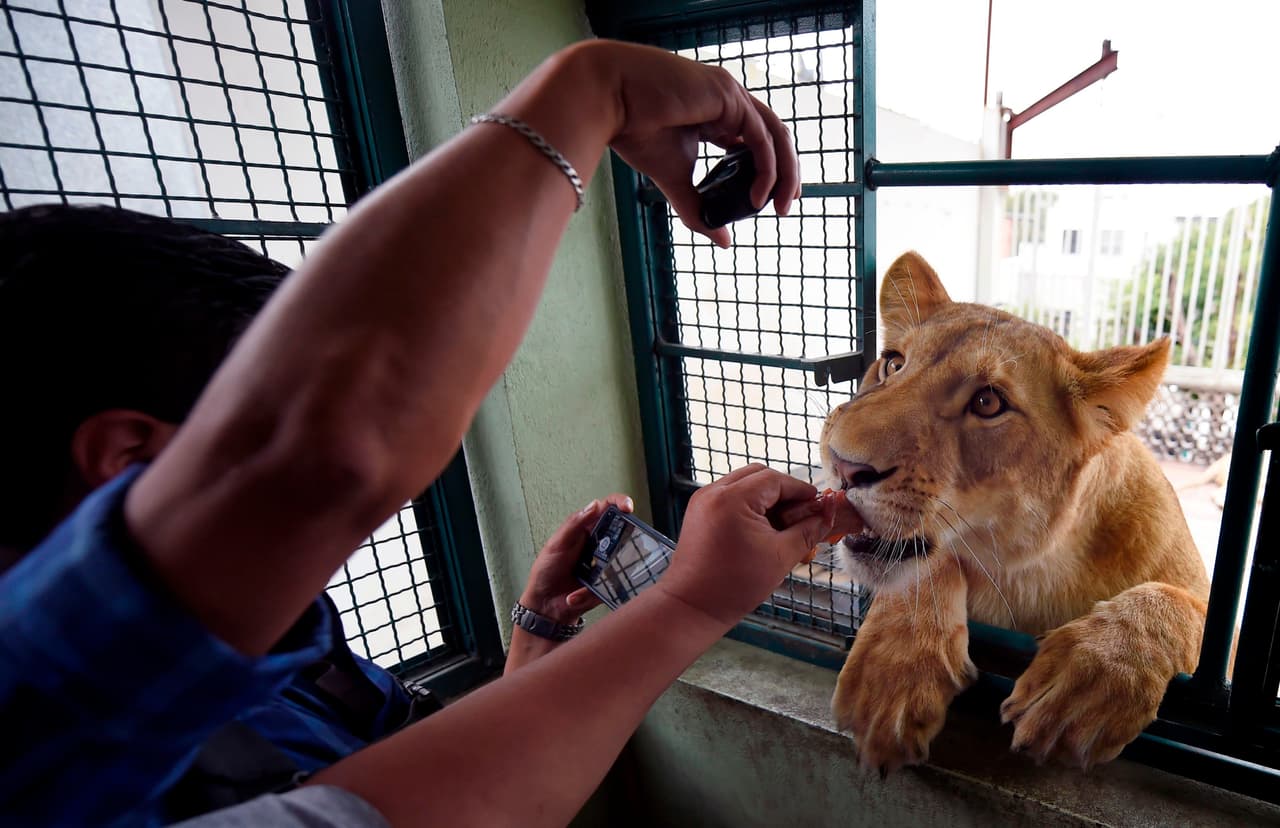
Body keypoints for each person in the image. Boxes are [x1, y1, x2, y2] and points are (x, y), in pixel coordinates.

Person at [0, 38, 859, 827]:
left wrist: (534, 647)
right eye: (245, 422)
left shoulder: (267, 657)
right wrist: (591, 94)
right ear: (129, 461)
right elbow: (338, 451)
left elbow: (416, 787)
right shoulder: (46, 747)